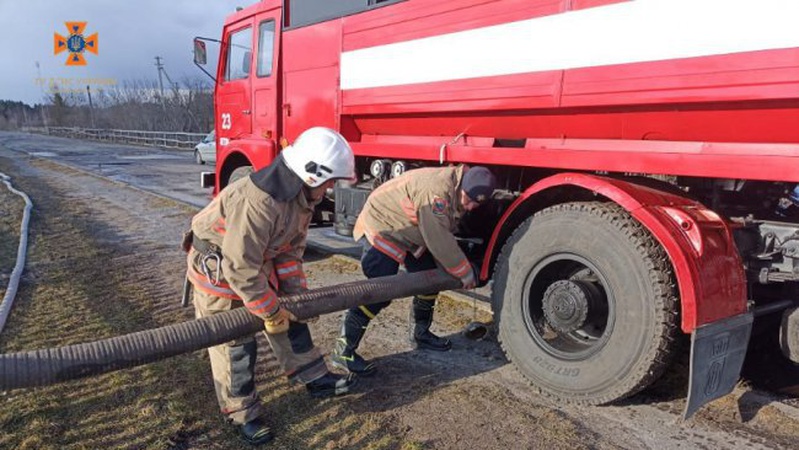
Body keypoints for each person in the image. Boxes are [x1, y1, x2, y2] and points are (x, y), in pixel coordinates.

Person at [185, 127, 357, 445]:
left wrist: (294, 298)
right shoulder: (260, 202)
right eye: (332, 181)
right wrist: (270, 309)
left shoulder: (301, 197)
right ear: (313, 174)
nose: (333, 188)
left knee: (292, 316)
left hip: (251, 263)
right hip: (220, 270)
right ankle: (242, 413)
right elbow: (239, 267)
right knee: (235, 344)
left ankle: (313, 377)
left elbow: (290, 251)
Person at [331, 164, 497, 376]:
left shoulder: (457, 187)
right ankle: (343, 350)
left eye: (476, 203)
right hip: (384, 224)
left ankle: (421, 334)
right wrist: (464, 271)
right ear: (461, 186)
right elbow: (439, 238)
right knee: (380, 291)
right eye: (468, 199)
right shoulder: (436, 191)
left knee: (429, 277)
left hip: (410, 230)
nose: (471, 207)